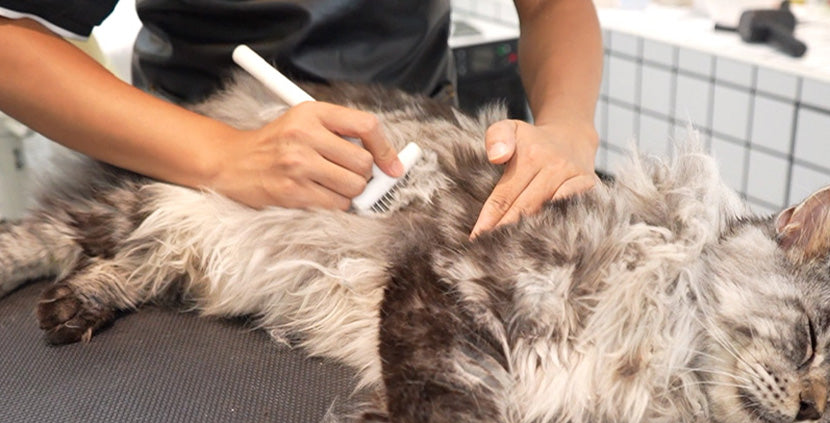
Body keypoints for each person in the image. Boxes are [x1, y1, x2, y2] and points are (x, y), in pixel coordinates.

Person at [0, 1, 602, 238]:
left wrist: (570, 127)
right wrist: (221, 153)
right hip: (186, 165)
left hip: (409, 153)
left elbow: (553, 6)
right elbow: (11, 41)